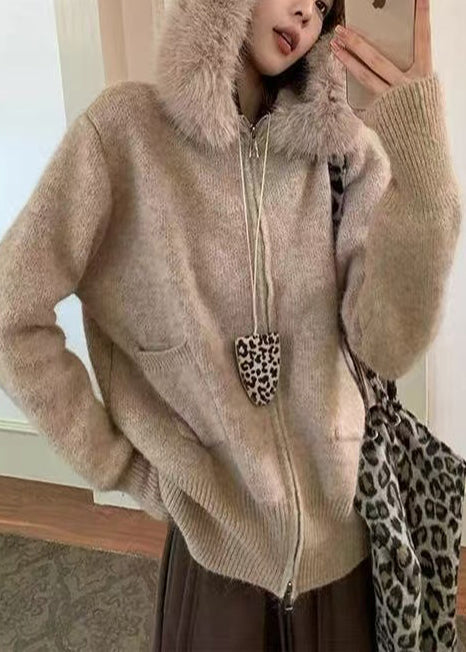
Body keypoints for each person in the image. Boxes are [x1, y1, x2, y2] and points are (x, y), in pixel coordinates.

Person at [0, 0, 461, 649]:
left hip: (344, 554)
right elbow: (11, 311)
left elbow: (388, 346)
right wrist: (125, 468)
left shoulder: (345, 156)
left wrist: (426, 177)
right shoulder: (125, 135)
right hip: (217, 568)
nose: (305, 11)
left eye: (323, 4)